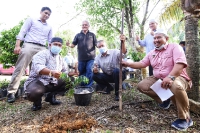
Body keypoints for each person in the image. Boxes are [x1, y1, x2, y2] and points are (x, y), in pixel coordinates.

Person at [122, 29, 193, 131]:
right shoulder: (152, 53)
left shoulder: (175, 47)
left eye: (159, 37)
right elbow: (142, 63)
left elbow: (180, 64)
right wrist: (127, 63)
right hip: (159, 78)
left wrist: (170, 77)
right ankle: (166, 98)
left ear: (166, 38)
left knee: (175, 86)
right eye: (154, 38)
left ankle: (185, 119)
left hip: (178, 77)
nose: (156, 40)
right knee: (142, 86)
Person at [7, 7, 53, 103]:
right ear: (41, 12)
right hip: (29, 45)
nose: (47, 15)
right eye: (45, 13)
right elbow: (22, 32)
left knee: (39, 72)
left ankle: (32, 92)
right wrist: (17, 45)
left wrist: (50, 53)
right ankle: (11, 92)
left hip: (42, 48)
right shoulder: (31, 20)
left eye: (49, 14)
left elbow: (50, 41)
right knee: (20, 69)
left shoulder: (49, 27)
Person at [24, 37, 77, 111]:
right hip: (39, 81)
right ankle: (37, 102)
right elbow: (38, 67)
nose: (57, 47)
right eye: (55, 44)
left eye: (59, 45)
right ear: (50, 45)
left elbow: (65, 72)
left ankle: (51, 96)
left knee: (70, 80)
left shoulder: (60, 58)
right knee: (33, 92)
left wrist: (74, 73)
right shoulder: (42, 54)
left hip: (52, 82)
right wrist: (51, 72)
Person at [92, 34, 127, 101]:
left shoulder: (115, 52)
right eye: (99, 47)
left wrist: (123, 42)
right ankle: (108, 87)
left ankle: (117, 93)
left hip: (120, 74)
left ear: (106, 46)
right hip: (108, 76)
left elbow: (124, 54)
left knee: (116, 71)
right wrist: (95, 70)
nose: (101, 48)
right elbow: (96, 68)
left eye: (102, 46)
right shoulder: (97, 57)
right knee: (94, 75)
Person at [66, 20, 97, 87]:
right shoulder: (78, 35)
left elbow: (97, 44)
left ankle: (89, 86)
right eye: (83, 25)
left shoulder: (92, 35)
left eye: (86, 25)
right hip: (81, 58)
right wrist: (69, 45)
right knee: (81, 72)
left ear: (88, 26)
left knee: (89, 70)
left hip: (91, 58)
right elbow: (73, 45)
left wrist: (101, 47)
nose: (84, 26)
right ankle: (83, 86)